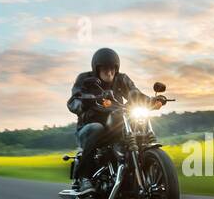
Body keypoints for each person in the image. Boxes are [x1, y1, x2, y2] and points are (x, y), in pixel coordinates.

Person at [66, 47, 161, 189]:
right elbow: (73, 102)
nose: (109, 72)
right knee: (97, 128)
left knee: (137, 126)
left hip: (117, 122)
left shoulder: (122, 79)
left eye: (112, 68)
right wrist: (87, 100)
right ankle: (85, 177)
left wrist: (153, 100)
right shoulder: (85, 80)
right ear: (96, 69)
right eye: (105, 69)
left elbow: (134, 93)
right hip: (89, 126)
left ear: (116, 68)